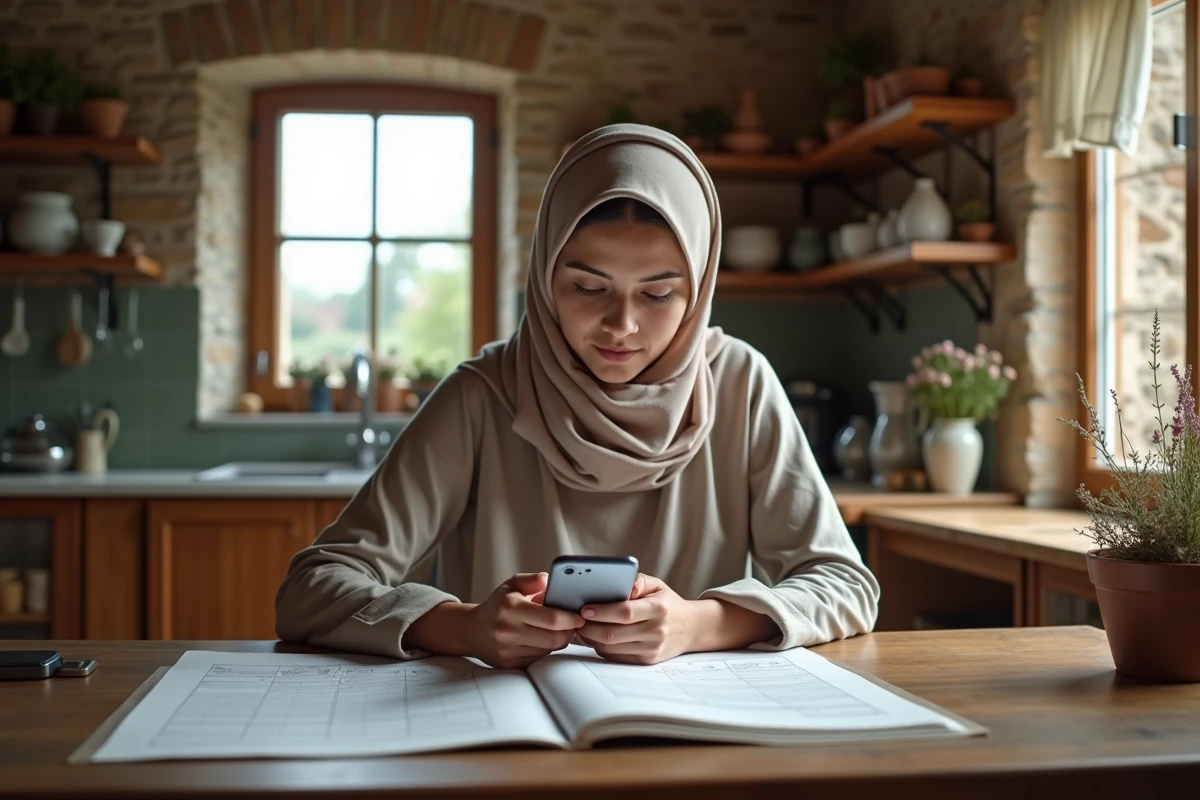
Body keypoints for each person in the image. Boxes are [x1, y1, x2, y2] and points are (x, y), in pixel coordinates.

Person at [275, 123, 879, 669]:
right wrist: (462, 627)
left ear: (698, 291)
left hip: (696, 743)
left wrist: (698, 624)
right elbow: (311, 588)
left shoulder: (740, 384)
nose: (621, 325)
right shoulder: (481, 396)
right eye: (589, 287)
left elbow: (844, 584)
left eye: (659, 294)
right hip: (501, 740)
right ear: (544, 276)